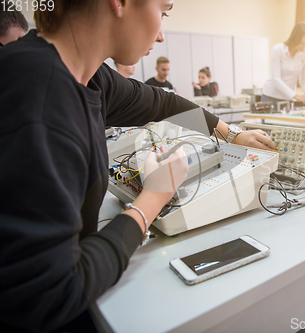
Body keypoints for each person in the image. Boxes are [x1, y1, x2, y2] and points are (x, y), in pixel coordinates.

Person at [0, 1, 274, 332]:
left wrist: (232, 133)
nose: (160, 35)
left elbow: (164, 102)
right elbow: (49, 295)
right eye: (164, 11)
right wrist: (153, 198)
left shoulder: (89, 75)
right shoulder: (39, 95)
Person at [261, 22, 305, 107]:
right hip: (270, 96)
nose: (304, 46)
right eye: (302, 43)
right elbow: (276, 79)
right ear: (295, 39)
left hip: (288, 98)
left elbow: (303, 79)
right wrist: (295, 96)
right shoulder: (278, 50)